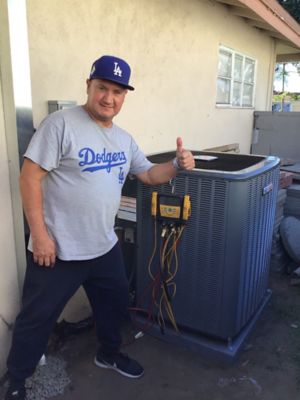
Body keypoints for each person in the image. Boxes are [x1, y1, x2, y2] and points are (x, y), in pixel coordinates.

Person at [5, 55, 195, 400]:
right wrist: (41, 236)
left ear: (124, 97)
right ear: (88, 86)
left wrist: (176, 165)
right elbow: (29, 178)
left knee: (114, 306)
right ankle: (16, 381)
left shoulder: (123, 139)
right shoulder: (60, 124)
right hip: (57, 250)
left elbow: (149, 174)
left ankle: (108, 354)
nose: (109, 98)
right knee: (36, 319)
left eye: (118, 92)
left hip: (103, 246)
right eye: (102, 88)